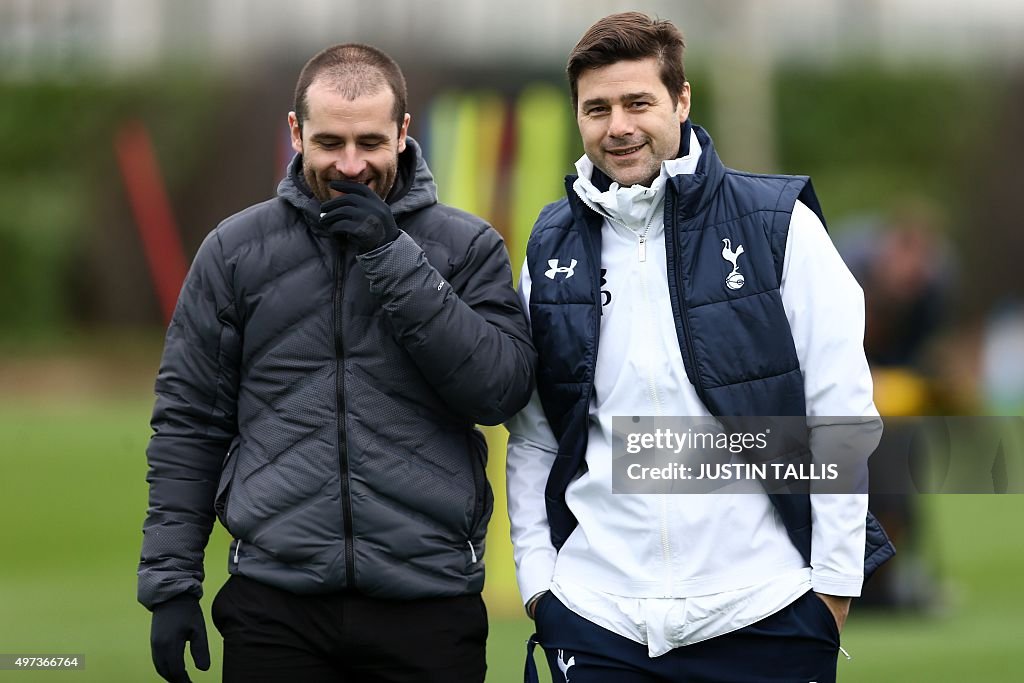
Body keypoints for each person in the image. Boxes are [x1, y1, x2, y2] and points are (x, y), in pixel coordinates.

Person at [506, 12, 894, 683]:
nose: (618, 126)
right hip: (598, 621)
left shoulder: (780, 225)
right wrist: (542, 584)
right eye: (596, 108)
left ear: (681, 101)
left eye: (638, 102)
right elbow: (535, 434)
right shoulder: (548, 248)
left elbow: (840, 412)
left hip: (767, 610)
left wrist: (830, 592)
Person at [138, 43, 535, 683]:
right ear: (295, 133)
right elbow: (189, 424)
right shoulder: (233, 253)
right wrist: (171, 580)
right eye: (330, 143)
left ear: (405, 133)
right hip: (275, 605)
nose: (351, 166)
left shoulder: (467, 247)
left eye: (370, 142)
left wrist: (393, 254)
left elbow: (500, 391)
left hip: (428, 601)